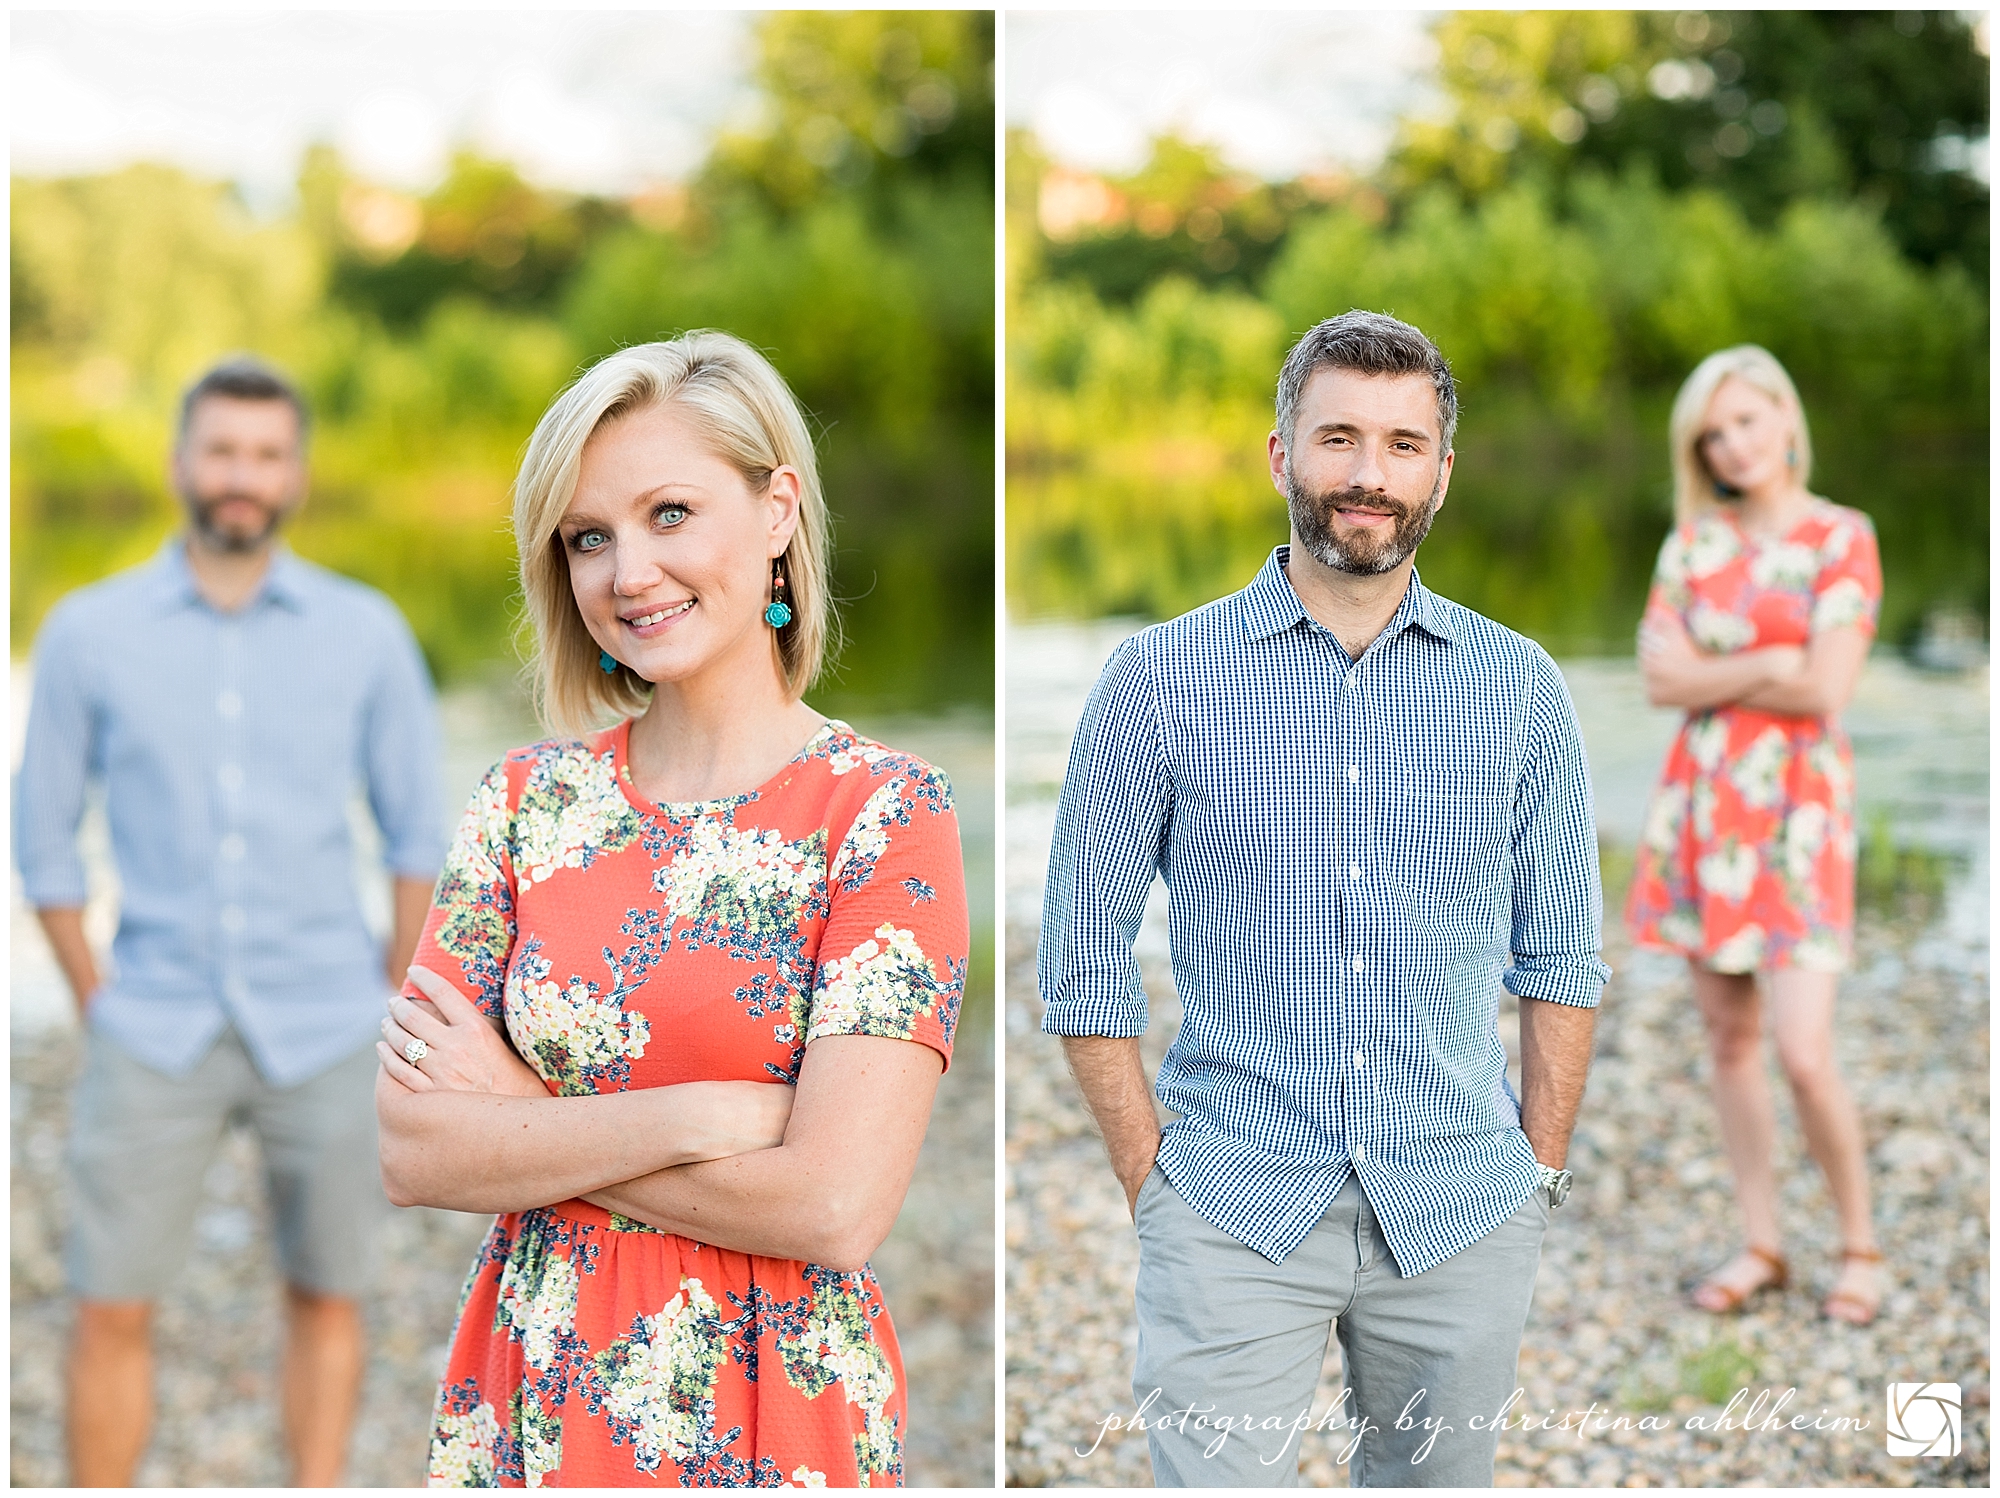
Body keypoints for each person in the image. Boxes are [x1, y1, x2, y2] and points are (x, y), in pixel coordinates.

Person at [374, 331, 968, 1488]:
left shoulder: (884, 812)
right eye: (588, 536)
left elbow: (836, 1207)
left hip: (769, 1401)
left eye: (669, 513)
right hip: (529, 1392)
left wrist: (527, 1119)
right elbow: (410, 1148)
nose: (627, 572)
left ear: (777, 510)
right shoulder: (521, 802)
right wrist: (715, 1112)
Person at [1038, 310, 1609, 1488]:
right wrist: (1147, 1174)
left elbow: (1559, 957)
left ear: (1440, 474)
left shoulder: (1518, 689)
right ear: (1279, 454)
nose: (1367, 475)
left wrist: (1534, 1175)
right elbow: (1080, 956)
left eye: (1402, 445)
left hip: (1459, 1203)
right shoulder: (1155, 680)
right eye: (1337, 436)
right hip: (1228, 1200)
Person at [13, 356, 445, 1486]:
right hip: (149, 1027)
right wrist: (95, 999)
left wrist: (393, 999)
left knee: (328, 1291)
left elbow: (415, 839)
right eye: (220, 450)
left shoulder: (368, 633)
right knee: (107, 1303)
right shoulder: (86, 632)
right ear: (178, 463)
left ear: (296, 473)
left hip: (330, 1024)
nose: (240, 475)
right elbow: (44, 842)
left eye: (263, 453)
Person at [1626, 345, 1884, 1325]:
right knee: (1727, 1036)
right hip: (1702, 806)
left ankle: (1857, 1243)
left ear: (1782, 416)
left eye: (1745, 421)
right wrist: (1776, 651)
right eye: (1712, 433)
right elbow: (1656, 681)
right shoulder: (1691, 543)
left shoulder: (1839, 536)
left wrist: (1722, 663)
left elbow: (1825, 687)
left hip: (1800, 816)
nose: (1731, 445)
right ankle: (1761, 1240)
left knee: (1802, 1046)